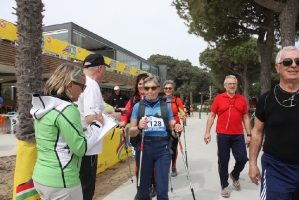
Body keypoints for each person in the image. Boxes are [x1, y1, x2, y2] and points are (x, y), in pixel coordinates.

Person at [30, 63, 104, 199]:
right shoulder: (66, 108)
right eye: (82, 86)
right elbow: (80, 148)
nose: (83, 91)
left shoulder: (44, 105)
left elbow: (52, 134)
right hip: (62, 181)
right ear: (70, 84)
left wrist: (74, 130)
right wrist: (97, 125)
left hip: (41, 177)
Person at [249, 46, 299, 199]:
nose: (294, 65)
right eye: (288, 62)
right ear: (278, 67)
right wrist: (252, 164)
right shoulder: (266, 99)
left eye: (298, 61)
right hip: (276, 170)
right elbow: (257, 133)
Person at [128, 76, 183, 200]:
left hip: (162, 148)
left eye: (153, 88)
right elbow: (131, 132)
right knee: (142, 189)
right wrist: (138, 127)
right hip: (144, 148)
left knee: (162, 189)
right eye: (146, 88)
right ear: (142, 89)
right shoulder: (138, 107)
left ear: (158, 89)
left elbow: (172, 129)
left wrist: (176, 129)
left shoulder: (165, 106)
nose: (150, 91)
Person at [204, 75, 251, 198]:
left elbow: (246, 117)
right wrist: (207, 132)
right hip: (223, 135)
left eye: (234, 84)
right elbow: (212, 115)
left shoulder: (241, 99)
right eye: (229, 83)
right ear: (225, 85)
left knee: (242, 158)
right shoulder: (219, 98)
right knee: (223, 161)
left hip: (238, 135)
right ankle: (224, 186)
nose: (232, 85)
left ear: (237, 85)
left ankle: (235, 175)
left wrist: (249, 134)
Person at [77, 53, 110, 200]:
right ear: (100, 68)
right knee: (86, 190)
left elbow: (94, 111)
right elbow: (90, 117)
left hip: (81, 144)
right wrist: (110, 118)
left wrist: (112, 112)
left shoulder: (84, 84)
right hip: (88, 146)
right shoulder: (92, 86)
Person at [118, 73, 152, 199]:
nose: (141, 85)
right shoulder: (133, 100)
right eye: (139, 83)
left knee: (152, 163)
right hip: (136, 136)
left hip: (152, 136)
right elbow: (125, 115)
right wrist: (122, 126)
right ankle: (140, 189)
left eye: (144, 83)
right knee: (139, 163)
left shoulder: (155, 99)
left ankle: (151, 185)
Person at [163, 80, 186, 177]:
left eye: (170, 88)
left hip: (175, 127)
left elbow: (182, 112)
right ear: (164, 89)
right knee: (163, 147)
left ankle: (174, 166)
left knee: (173, 147)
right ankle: (163, 166)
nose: (168, 90)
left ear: (173, 89)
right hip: (163, 127)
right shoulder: (161, 99)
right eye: (166, 88)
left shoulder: (177, 100)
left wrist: (183, 116)